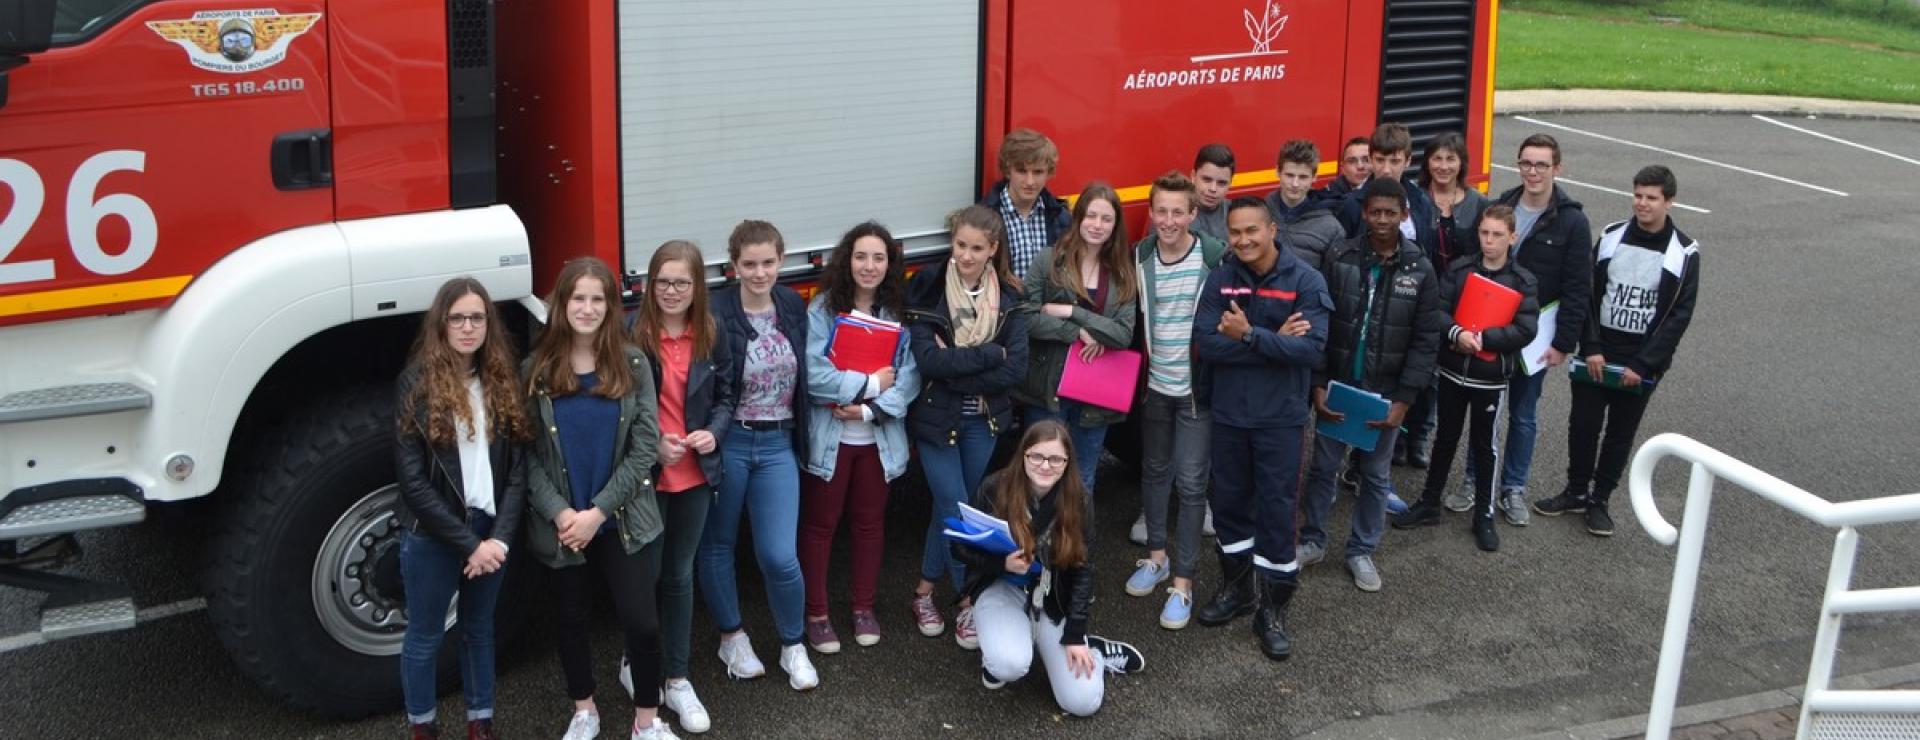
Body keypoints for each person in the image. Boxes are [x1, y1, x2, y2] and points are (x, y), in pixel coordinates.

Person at [523, 258, 675, 740]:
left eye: (597, 299)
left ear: (611, 306)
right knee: (571, 620)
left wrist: (598, 512)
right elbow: (527, 458)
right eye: (577, 298)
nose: (587, 309)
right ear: (560, 304)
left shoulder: (632, 364)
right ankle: (584, 710)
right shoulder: (536, 370)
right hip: (564, 523)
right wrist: (563, 513)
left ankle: (647, 722)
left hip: (619, 518)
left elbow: (645, 447)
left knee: (643, 624)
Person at [1193, 196, 1331, 661]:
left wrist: (1248, 335)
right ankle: (1238, 591)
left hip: (1280, 422)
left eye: (1252, 230)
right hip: (1231, 417)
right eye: (1235, 232)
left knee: (1275, 514)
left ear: (1272, 229)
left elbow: (1311, 351)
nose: (1243, 240)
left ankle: (1272, 609)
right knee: (1230, 507)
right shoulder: (1221, 279)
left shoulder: (1306, 281)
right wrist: (1274, 343)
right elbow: (1206, 343)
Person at [394, 278, 530, 740]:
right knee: (425, 636)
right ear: (442, 324)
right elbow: (412, 481)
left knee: (479, 630)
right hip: (435, 535)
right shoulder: (416, 383)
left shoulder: (501, 380)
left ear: (488, 324)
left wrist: (499, 540)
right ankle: (423, 728)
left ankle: (480, 724)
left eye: (477, 317)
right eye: (457, 318)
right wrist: (469, 543)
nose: (467, 327)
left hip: (489, 532)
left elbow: (516, 471)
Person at [1534, 165, 1699, 537]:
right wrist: (1590, 347)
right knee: (1583, 426)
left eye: (1651, 198)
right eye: (1638, 195)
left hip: (1639, 365)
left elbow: (1679, 316)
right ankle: (1575, 491)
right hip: (1597, 355)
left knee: (1619, 434)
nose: (1642, 203)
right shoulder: (1610, 237)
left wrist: (1643, 365)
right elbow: (1587, 293)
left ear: (1669, 202)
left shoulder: (1684, 252)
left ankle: (1599, 500)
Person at [1300, 178, 1444, 593]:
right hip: (1341, 386)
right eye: (1375, 212)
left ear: (1405, 215)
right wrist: (1319, 383)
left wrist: (1405, 399)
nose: (1382, 220)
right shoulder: (1340, 256)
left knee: (1376, 476)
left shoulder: (1420, 269)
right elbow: (1320, 322)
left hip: (1386, 394)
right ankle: (1312, 541)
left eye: (1390, 213)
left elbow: (1425, 341)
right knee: (1324, 468)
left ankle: (1361, 550)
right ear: (1365, 213)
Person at [951, 420, 1145, 717]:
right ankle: (1003, 648)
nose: (1046, 465)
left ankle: (1095, 651)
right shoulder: (995, 486)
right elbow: (960, 548)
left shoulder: (1079, 498)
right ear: (1023, 455)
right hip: (1001, 586)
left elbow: (1083, 569)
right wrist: (1000, 563)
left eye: (1056, 459)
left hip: (1050, 596)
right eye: (1037, 456)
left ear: (1067, 462)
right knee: (1008, 664)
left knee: (1082, 703)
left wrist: (1076, 632)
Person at [905, 205, 1030, 650]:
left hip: (984, 421)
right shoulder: (927, 286)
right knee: (957, 510)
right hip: (938, 419)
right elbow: (929, 361)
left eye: (977, 248)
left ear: (993, 250)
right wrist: (987, 356)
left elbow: (1015, 369)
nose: (967, 256)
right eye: (960, 246)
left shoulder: (1010, 297)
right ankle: (967, 603)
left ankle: (923, 592)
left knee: (951, 508)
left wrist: (960, 367)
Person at [703, 220, 818, 690]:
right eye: (748, 264)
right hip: (730, 441)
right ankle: (732, 637)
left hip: (777, 444)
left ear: (781, 261)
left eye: (768, 262)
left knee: (778, 555)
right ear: (733, 266)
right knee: (718, 545)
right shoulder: (714, 313)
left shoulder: (791, 304)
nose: (759, 272)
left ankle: (794, 646)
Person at [799, 222, 921, 654]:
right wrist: (870, 385)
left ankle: (863, 608)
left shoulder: (898, 315)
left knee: (870, 526)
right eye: (861, 256)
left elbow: (909, 380)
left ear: (890, 265)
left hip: (877, 440)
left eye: (878, 258)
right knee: (820, 527)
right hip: (829, 441)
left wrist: (869, 409)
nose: (869, 266)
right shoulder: (821, 312)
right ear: (846, 260)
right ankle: (816, 614)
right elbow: (814, 378)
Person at [627, 241, 732, 735]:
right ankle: (636, 666)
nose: (671, 291)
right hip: (647, 479)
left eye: (682, 283)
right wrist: (651, 452)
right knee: (642, 580)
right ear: (650, 285)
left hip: (695, 477)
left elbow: (729, 395)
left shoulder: (710, 333)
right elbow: (618, 412)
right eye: (662, 282)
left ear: (697, 288)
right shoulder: (632, 336)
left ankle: (677, 677)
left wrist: (715, 430)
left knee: (678, 577)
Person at [1461, 134, 1594, 523]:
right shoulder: (1502, 206)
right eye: (1526, 163)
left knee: (1523, 414)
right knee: (1485, 409)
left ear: (1557, 169)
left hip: (1536, 336)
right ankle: (1473, 480)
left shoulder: (1571, 220)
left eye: (1541, 165)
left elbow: (1577, 287)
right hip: (1490, 329)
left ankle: (1513, 488)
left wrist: (1563, 341)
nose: (1532, 172)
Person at [1390, 205, 1538, 552]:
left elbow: (1526, 328)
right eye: (1484, 233)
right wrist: (1456, 333)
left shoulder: (1523, 280)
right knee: (1445, 439)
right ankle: (1429, 503)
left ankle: (1484, 514)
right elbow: (1438, 310)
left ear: (1512, 237)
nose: (1489, 241)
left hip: (1490, 378)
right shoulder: (1459, 270)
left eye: (1497, 234)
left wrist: (1486, 340)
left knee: (1485, 446)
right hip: (1454, 371)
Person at [1124, 171, 1226, 630]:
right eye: (1160, 211)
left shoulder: (1212, 256)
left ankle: (1183, 584)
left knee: (1190, 485)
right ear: (1151, 213)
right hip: (1156, 388)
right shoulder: (1141, 254)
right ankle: (1157, 558)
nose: (1168, 220)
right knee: (1154, 473)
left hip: (1194, 392)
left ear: (1193, 214)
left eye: (1177, 212)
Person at [1016, 182, 1138, 505]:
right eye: (1091, 215)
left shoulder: (1124, 273)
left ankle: (1074, 552)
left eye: (1106, 219)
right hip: (1048, 388)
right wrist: (1074, 333)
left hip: (1095, 395)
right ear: (1078, 217)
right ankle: (1031, 551)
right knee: (1037, 476)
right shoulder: (1048, 261)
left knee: (1082, 478)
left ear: (1115, 226)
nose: (1097, 225)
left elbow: (1123, 334)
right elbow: (1025, 318)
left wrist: (1071, 312)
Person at [980, 128, 1071, 281]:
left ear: (1049, 173)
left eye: (1038, 172)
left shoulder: (1061, 218)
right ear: (1008, 171)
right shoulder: (984, 218)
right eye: (1022, 171)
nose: (1030, 181)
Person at [1264, 138, 1346, 267]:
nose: (1295, 184)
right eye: (1289, 175)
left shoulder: (1331, 228)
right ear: (1278, 172)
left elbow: (1334, 279)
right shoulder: (1260, 213)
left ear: (1314, 177)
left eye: (1303, 177)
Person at [1419, 131, 1488, 269]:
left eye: (1451, 159)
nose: (1444, 167)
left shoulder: (1479, 202)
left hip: (1464, 282)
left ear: (1461, 163)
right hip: (1424, 283)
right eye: (1437, 158)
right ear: (1427, 163)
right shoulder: (1415, 198)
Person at [1190, 143, 1237, 242]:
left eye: (1221, 183)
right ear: (1193, 176)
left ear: (1230, 184)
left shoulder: (1236, 213)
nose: (1213, 189)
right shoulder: (1171, 215)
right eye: (1207, 180)